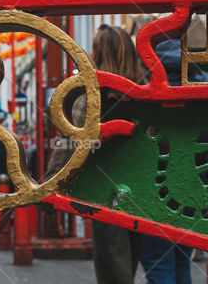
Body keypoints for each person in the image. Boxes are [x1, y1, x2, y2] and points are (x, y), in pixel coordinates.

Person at [47, 24, 146, 284]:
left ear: (100, 53)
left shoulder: (93, 93)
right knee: (129, 261)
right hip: (141, 187)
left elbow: (70, 140)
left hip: (104, 189)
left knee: (112, 266)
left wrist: (49, 181)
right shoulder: (144, 91)